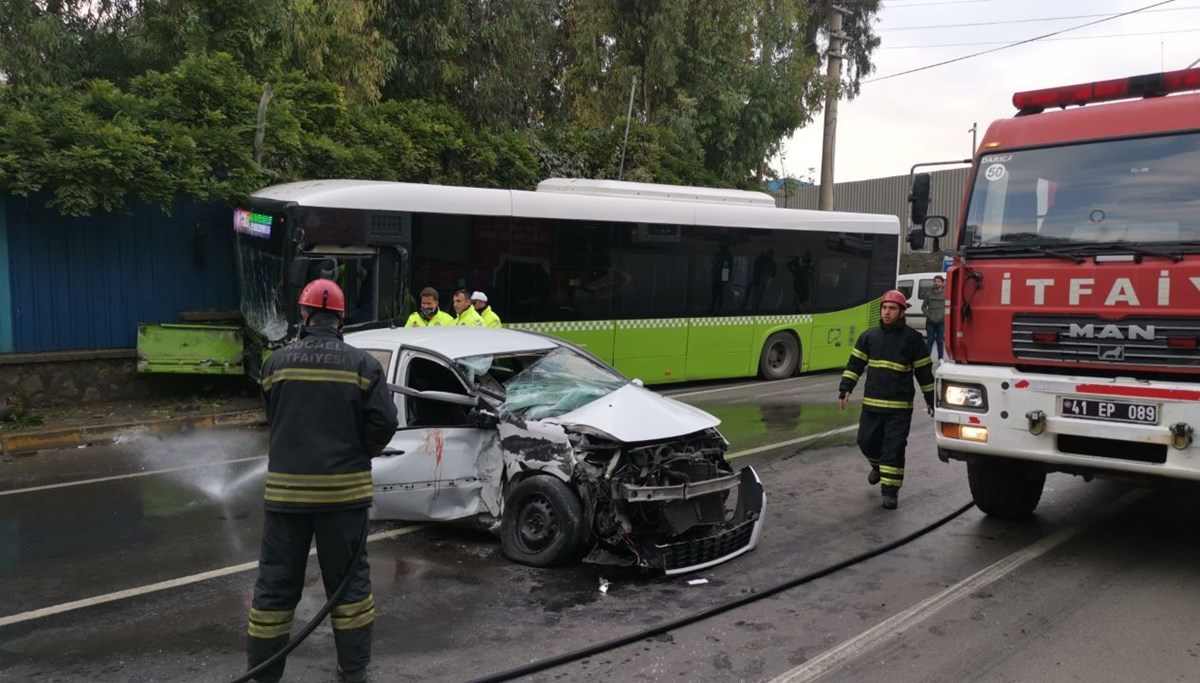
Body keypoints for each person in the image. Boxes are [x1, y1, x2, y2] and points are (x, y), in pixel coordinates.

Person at [246, 279, 399, 683]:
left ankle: (263, 675)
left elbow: (274, 415)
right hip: (343, 498)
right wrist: (357, 450)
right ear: (341, 318)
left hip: (286, 497)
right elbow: (385, 423)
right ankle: (353, 672)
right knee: (349, 591)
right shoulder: (363, 365)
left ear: (304, 314)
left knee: (275, 590)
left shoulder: (275, 363)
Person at [837, 289, 935, 510]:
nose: (887, 312)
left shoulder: (913, 339)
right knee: (866, 441)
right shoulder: (869, 337)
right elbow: (854, 366)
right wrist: (845, 388)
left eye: (892, 308)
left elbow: (924, 372)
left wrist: (931, 398)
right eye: (884, 308)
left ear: (901, 312)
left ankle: (890, 492)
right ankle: (878, 467)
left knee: (894, 448)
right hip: (872, 404)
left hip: (899, 408)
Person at [922, 275, 946, 362]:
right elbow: (923, 307)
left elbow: (948, 307)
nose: (936, 283)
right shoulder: (928, 294)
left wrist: (943, 316)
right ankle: (927, 358)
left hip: (941, 321)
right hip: (930, 322)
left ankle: (941, 358)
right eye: (935, 281)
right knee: (930, 340)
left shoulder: (946, 294)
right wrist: (929, 316)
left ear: (942, 283)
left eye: (938, 281)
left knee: (940, 340)